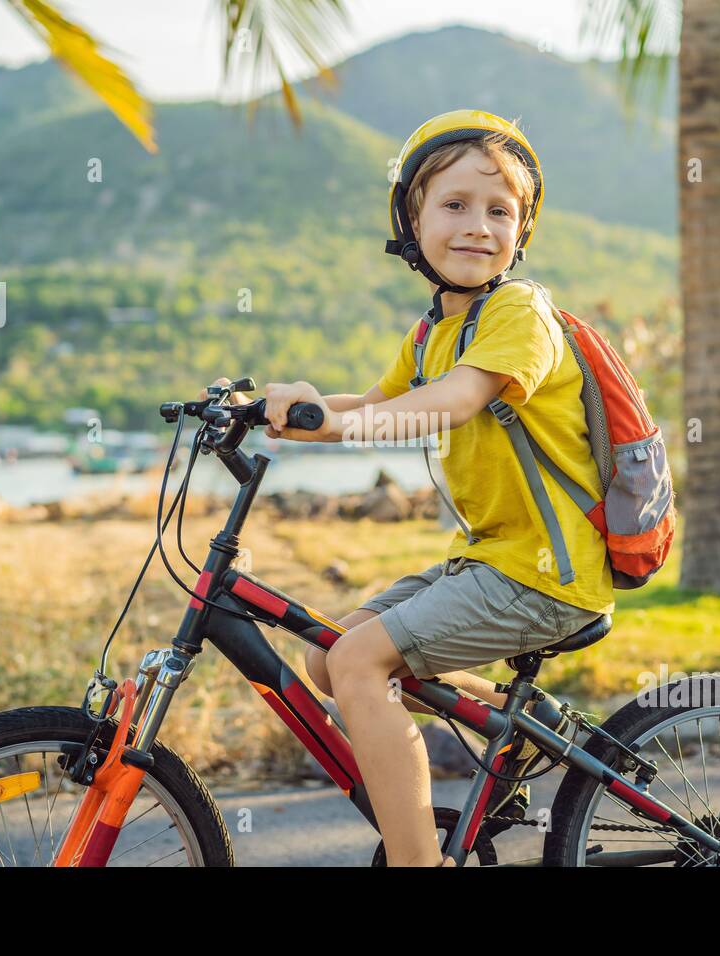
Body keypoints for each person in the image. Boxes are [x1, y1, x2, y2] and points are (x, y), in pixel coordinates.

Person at [220, 110, 615, 866]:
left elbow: (450, 403)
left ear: (522, 232)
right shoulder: (434, 329)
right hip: (492, 560)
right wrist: (275, 409)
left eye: (501, 211)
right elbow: (374, 403)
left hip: (547, 571)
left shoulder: (517, 313)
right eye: (455, 205)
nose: (478, 226)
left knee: (363, 663)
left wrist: (330, 426)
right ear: (413, 217)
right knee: (329, 658)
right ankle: (521, 727)